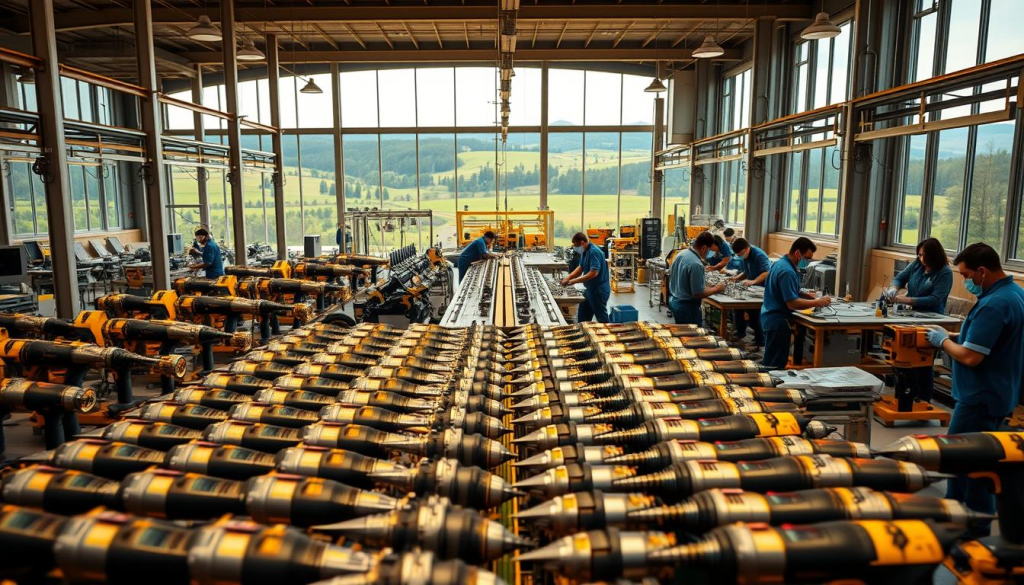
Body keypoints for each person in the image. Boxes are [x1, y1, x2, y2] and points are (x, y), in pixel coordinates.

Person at [924, 243, 1024, 537]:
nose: (966, 282)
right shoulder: (1014, 293)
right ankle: (955, 513)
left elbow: (970, 356)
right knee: (966, 459)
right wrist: (957, 335)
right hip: (1001, 391)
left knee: (970, 462)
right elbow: (991, 340)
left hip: (979, 397)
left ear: (982, 271)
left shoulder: (994, 304)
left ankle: (975, 525)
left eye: (967, 275)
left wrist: (943, 341)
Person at [885, 238, 953, 403]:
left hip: (931, 319)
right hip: (911, 317)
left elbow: (935, 299)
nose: (922, 259)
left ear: (935, 256)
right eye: (920, 255)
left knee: (922, 362)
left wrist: (908, 300)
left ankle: (923, 399)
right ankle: (904, 397)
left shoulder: (944, 273)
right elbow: (900, 277)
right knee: (904, 359)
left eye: (925, 256)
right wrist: (894, 288)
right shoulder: (917, 264)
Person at [760, 237, 831, 369]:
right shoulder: (787, 271)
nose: (807, 262)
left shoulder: (780, 264)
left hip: (769, 317)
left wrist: (809, 297)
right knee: (775, 365)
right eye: (807, 258)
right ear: (798, 253)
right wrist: (817, 302)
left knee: (771, 359)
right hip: (778, 321)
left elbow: (791, 291)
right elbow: (792, 303)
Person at [668, 231, 725, 326]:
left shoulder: (681, 254)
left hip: (675, 302)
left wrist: (707, 287)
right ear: (704, 248)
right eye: (710, 250)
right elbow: (698, 293)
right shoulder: (696, 264)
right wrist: (717, 289)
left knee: (682, 331)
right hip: (687, 308)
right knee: (692, 334)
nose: (709, 253)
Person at [560, 232, 610, 323]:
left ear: (582, 242)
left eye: (576, 246)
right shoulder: (585, 251)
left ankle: (608, 331)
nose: (576, 248)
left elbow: (593, 273)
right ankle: (582, 329)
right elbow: (580, 267)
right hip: (590, 289)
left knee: (602, 318)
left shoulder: (594, 252)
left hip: (599, 290)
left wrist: (573, 281)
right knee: (583, 315)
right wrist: (568, 277)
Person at [729, 237, 771, 345]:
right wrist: (736, 278)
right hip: (752, 288)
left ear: (747, 249)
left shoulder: (759, 255)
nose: (740, 256)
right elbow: (745, 272)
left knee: (755, 316)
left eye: (741, 254)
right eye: (738, 255)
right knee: (738, 308)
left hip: (761, 290)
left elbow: (766, 272)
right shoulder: (745, 256)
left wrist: (753, 281)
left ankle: (760, 341)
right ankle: (740, 334)